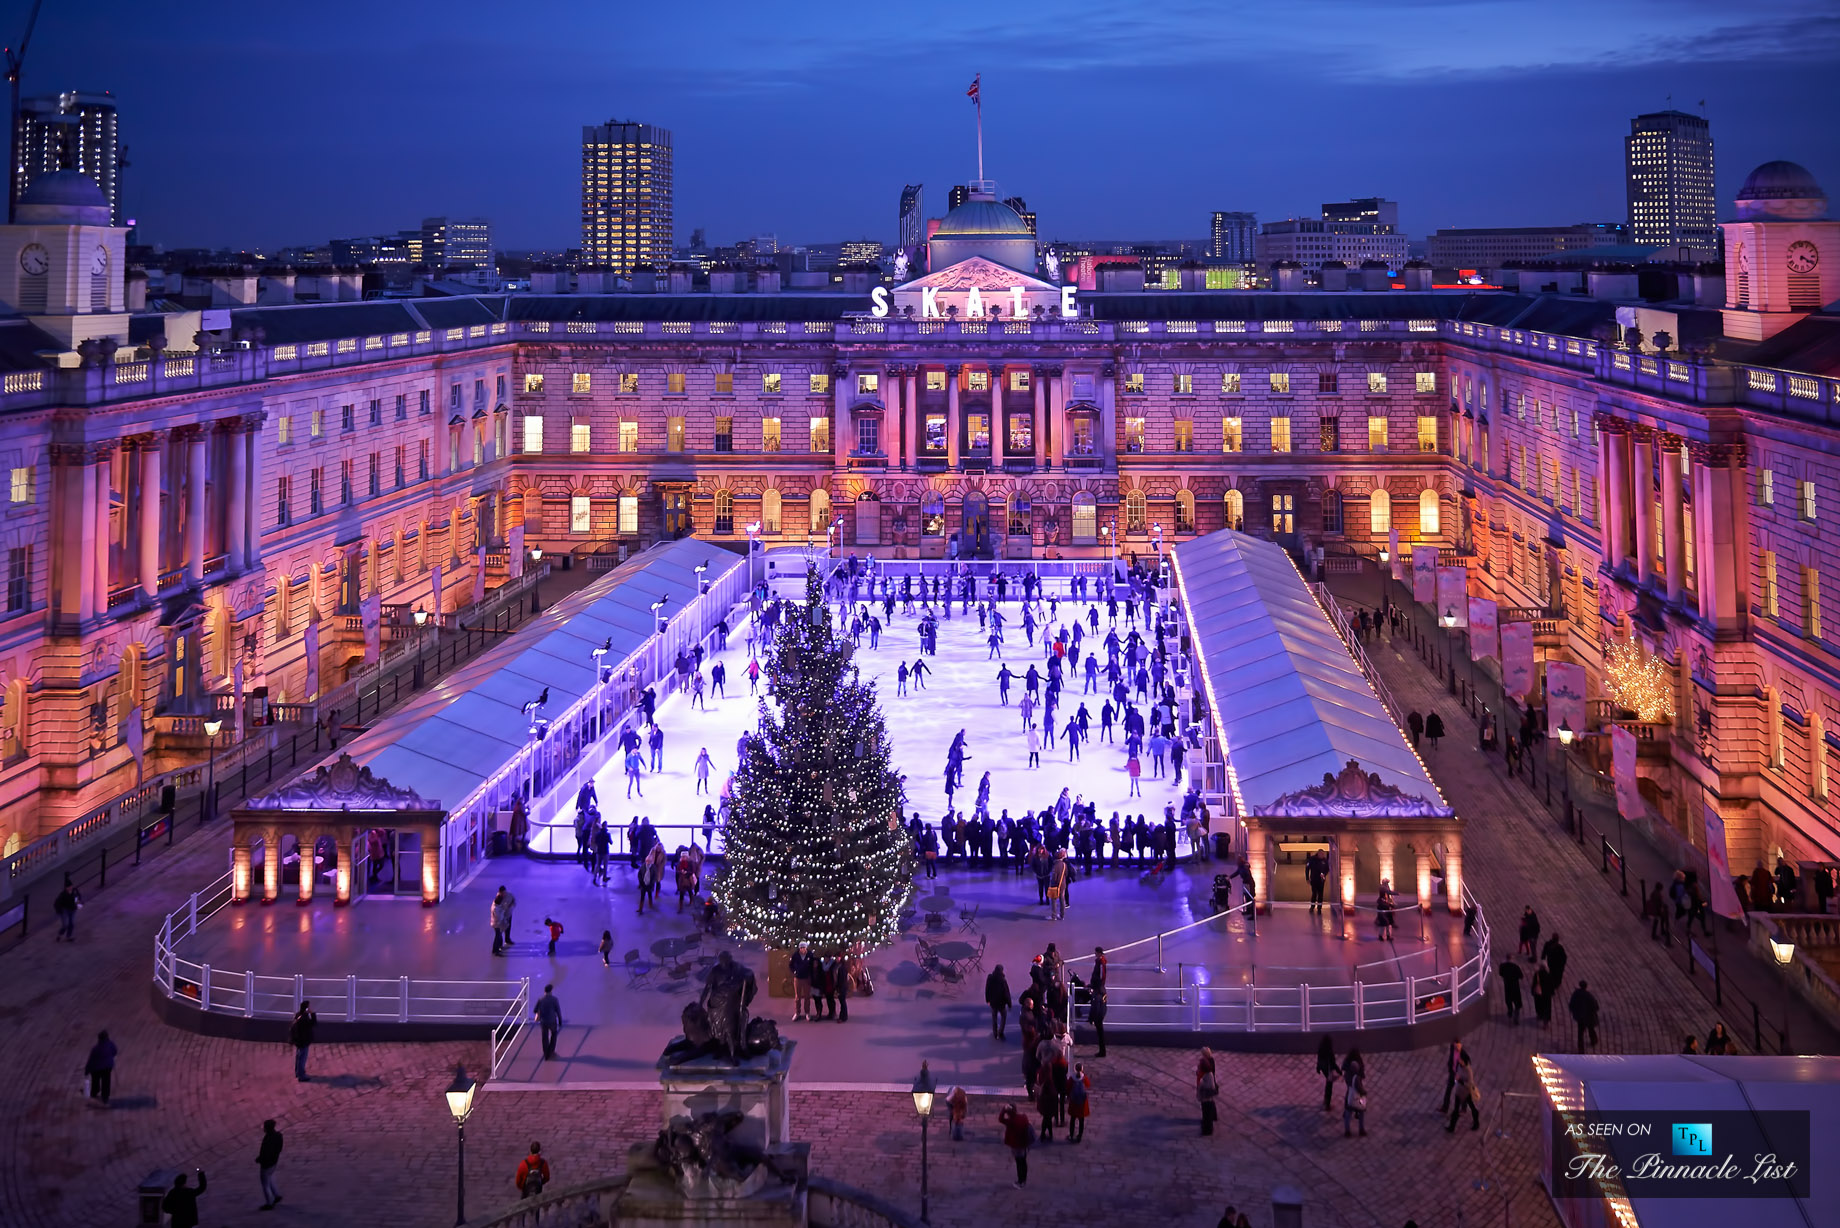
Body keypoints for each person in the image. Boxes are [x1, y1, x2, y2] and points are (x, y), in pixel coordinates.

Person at [998, 1102, 1034, 1187]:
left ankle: (1020, 1181)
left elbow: (1000, 1119)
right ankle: (1024, 1180)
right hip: (1025, 1143)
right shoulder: (1023, 1117)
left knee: (1019, 1163)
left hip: (1016, 1145)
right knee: (1024, 1162)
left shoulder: (1011, 1121)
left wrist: (1003, 1110)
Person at [1445, 1058, 1480, 1132]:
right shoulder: (1460, 1067)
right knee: (1456, 1109)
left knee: (1471, 1106)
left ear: (1465, 1060)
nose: (1459, 1061)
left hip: (1466, 1092)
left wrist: (1460, 1081)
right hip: (1459, 1091)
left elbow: (1469, 1084)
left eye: (1461, 1060)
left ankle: (1476, 1122)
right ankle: (1452, 1127)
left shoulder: (1468, 1071)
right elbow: (1457, 1075)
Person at [257, 1119, 284, 1210]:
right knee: (271, 1178)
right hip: (274, 1162)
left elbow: (265, 1153)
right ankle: (276, 1195)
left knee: (265, 1184)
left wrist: (259, 1159)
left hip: (266, 1164)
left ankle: (269, 1203)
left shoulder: (268, 1139)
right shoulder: (278, 1136)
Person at [85, 1029, 117, 1104]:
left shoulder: (96, 1049)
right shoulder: (111, 1044)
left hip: (97, 1068)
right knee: (106, 1081)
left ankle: (95, 1091)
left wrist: (87, 1070)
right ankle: (105, 1097)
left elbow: (91, 1060)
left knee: (95, 1079)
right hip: (107, 1067)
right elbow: (115, 1051)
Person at [1568, 981, 1601, 1050]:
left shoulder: (1576, 994)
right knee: (1591, 1029)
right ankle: (1593, 1040)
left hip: (1580, 1018)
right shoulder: (1589, 996)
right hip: (1589, 1017)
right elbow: (1596, 1007)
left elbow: (1571, 1005)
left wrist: (1575, 1012)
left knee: (1580, 1034)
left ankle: (1581, 1049)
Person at [535, 983, 563, 1060]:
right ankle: (551, 1049)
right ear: (551, 991)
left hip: (543, 1022)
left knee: (544, 1037)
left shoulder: (540, 999)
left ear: (544, 991)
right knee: (554, 1034)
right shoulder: (554, 999)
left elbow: (535, 1010)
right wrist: (560, 1021)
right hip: (552, 1021)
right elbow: (558, 1011)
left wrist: (538, 1014)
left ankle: (546, 1053)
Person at [290, 1001, 317, 1082]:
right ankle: (301, 1076)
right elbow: (314, 1023)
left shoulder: (298, 1015)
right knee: (302, 1058)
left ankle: (298, 1072)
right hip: (303, 1041)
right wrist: (312, 1013)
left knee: (298, 1057)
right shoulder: (305, 1018)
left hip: (298, 1040)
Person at [1196, 1047, 1220, 1136]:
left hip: (1206, 1096)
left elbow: (1210, 1086)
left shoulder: (1208, 1074)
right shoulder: (1208, 1064)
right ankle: (1213, 1118)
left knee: (1207, 1113)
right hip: (1206, 1095)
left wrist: (1201, 1084)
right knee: (1207, 1111)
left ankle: (1207, 1130)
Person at [986, 963, 1012, 1040]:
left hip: (993, 1003)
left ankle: (995, 1033)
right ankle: (1000, 1032)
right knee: (1003, 1017)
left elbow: (987, 990)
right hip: (1001, 1004)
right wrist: (1009, 1004)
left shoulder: (990, 978)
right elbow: (1006, 993)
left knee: (994, 1018)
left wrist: (988, 1000)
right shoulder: (1003, 980)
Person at [790, 943, 816, 1022]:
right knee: (797, 997)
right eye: (801, 948)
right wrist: (794, 971)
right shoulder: (795, 955)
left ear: (806, 948)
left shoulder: (810, 955)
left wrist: (810, 974)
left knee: (807, 996)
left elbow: (812, 966)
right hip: (798, 978)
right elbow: (791, 965)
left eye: (804, 948)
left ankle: (807, 1013)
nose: (802, 949)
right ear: (799, 948)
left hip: (806, 978)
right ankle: (797, 1012)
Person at [1066, 1062, 1091, 1142]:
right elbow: (1088, 1085)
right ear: (1082, 1069)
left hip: (1074, 1101)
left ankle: (1071, 1135)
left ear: (1075, 1069)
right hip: (1082, 1102)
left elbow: (1068, 1088)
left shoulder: (1072, 1078)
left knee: (1072, 1119)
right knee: (1081, 1120)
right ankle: (1079, 1136)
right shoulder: (1084, 1078)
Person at [1315, 1035, 1340, 1111]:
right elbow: (1333, 1063)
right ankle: (1327, 1105)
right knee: (1329, 1086)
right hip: (1328, 1069)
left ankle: (1325, 1100)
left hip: (1323, 1068)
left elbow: (1318, 1059)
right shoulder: (1329, 1050)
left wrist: (1318, 1068)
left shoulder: (1321, 1048)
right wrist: (1339, 1071)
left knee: (1328, 1084)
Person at [53, 875, 80, 941]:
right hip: (65, 910)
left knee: (71, 924)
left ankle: (69, 936)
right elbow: (57, 903)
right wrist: (59, 911)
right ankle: (59, 935)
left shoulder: (75, 891)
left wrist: (78, 904)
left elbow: (77, 897)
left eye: (71, 886)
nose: (70, 888)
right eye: (69, 887)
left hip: (73, 909)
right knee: (65, 925)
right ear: (66, 888)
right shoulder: (63, 894)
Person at [1498, 957, 1524, 1024]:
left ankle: (1510, 1010)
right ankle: (1516, 1016)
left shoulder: (1502, 966)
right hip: (1515, 986)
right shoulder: (1515, 967)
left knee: (1508, 999)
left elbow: (1500, 973)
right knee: (1517, 1002)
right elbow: (1521, 976)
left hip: (1507, 986)